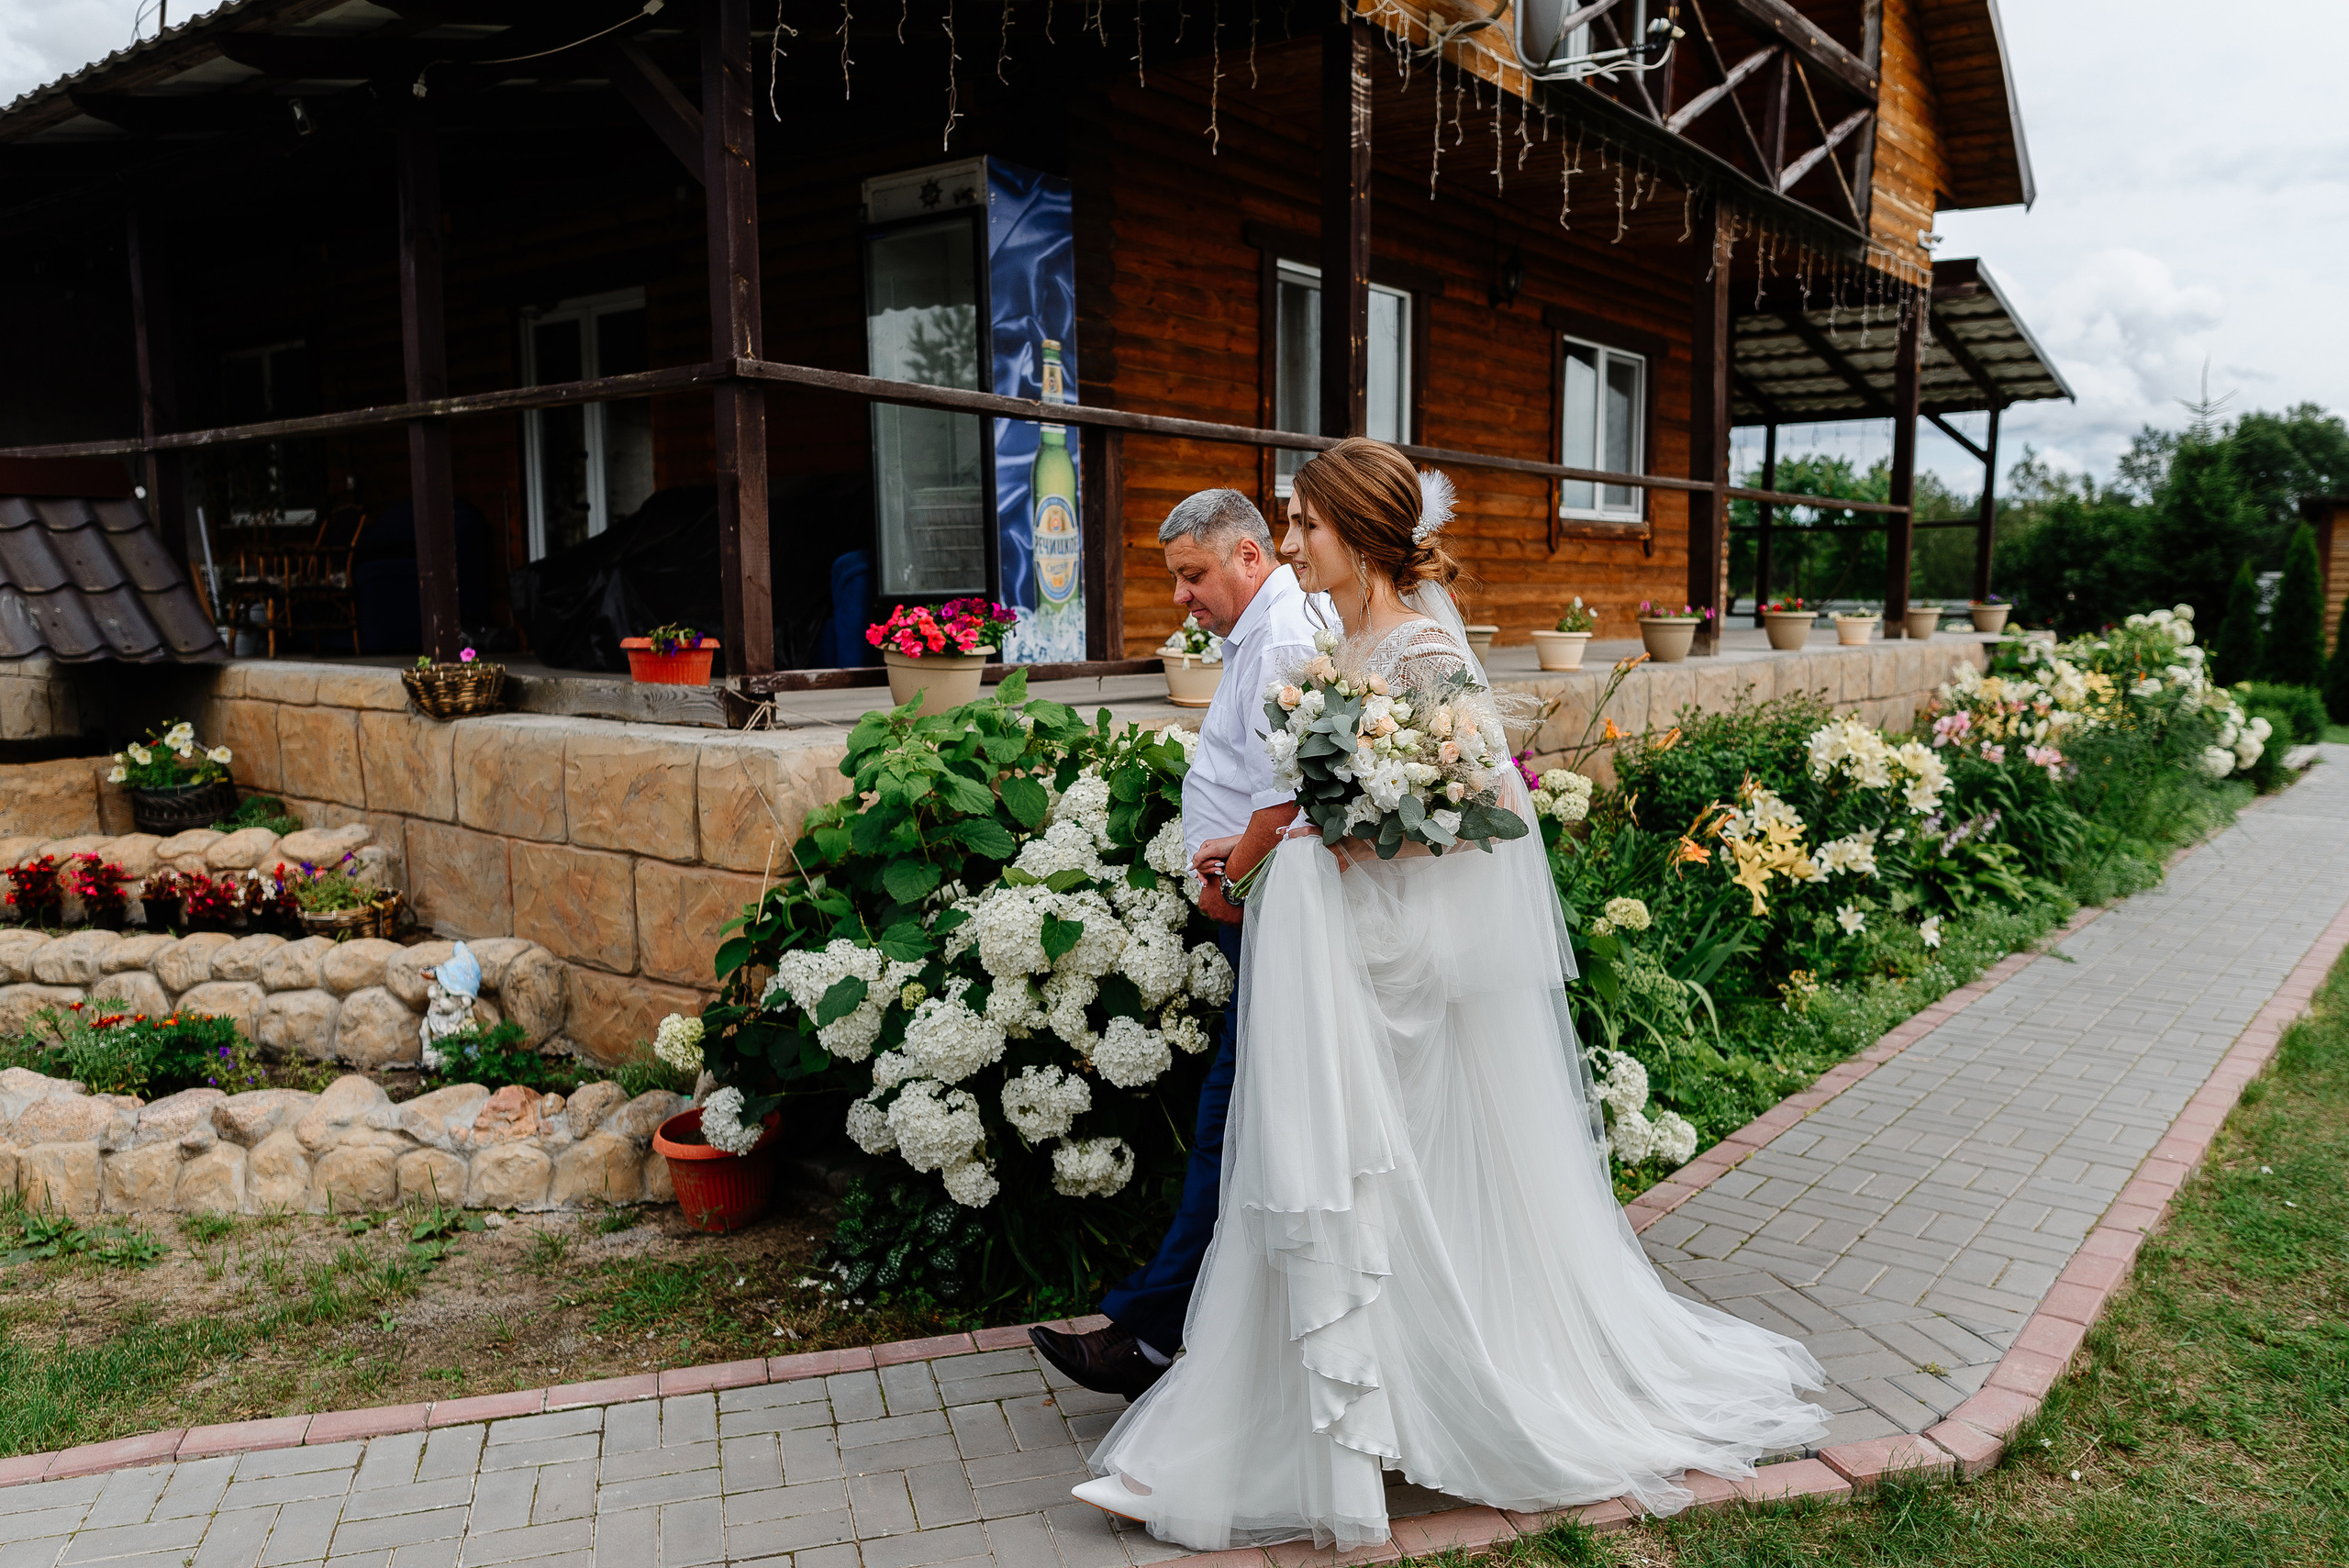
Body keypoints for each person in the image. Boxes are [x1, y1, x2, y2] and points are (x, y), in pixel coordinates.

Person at [1071, 439, 1829, 1550]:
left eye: (1305, 526)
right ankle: (1245, 1435)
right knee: (1299, 1184)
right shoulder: (1340, 642)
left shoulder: (1423, 650)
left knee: (1376, 1190)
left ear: (1361, 537)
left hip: (1396, 972)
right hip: (1324, 959)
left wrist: (1337, 816)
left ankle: (1417, 1403)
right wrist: (1299, 826)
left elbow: (1476, 809)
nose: (1289, 544)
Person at [1029, 487, 1323, 1399]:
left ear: (1245, 555)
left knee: (1230, 1127)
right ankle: (1167, 1331)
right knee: (1233, 1124)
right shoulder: (1256, 633)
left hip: (1271, 915)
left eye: (1192, 575)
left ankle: (1152, 1335)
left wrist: (1228, 877)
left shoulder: (1279, 636)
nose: (1181, 598)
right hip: (1257, 908)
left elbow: (1284, 797)